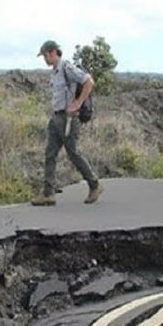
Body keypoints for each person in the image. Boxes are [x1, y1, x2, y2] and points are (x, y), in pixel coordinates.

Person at [31, 40, 102, 206]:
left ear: (53, 52)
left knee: (73, 153)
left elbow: (88, 82)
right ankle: (48, 193)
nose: (45, 59)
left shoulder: (66, 67)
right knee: (50, 154)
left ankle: (94, 185)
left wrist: (77, 103)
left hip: (68, 119)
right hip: (56, 118)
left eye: (45, 55)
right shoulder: (55, 71)